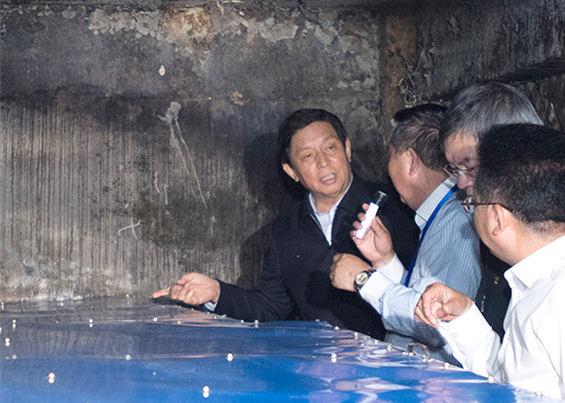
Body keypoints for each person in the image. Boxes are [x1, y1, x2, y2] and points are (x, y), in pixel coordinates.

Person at [414, 124, 565, 403]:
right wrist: (464, 315)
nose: (471, 213)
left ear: (498, 219)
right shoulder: (542, 276)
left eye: (473, 204)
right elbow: (510, 382)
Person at [153, 108, 418, 339]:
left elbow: (420, 292)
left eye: (330, 148)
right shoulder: (284, 230)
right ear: (291, 171)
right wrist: (217, 293)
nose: (323, 162)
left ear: (347, 149)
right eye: (308, 156)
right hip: (318, 365)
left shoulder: (397, 207)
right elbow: (269, 306)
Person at [438, 82, 565, 337]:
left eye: (470, 167)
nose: (462, 183)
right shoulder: (506, 221)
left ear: (515, 152)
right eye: (455, 169)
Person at [329, 104, 481, 357]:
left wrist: (365, 280)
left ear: (411, 160)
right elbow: (421, 299)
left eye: (391, 156)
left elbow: (438, 323)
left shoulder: (457, 221)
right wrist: (385, 261)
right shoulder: (438, 217)